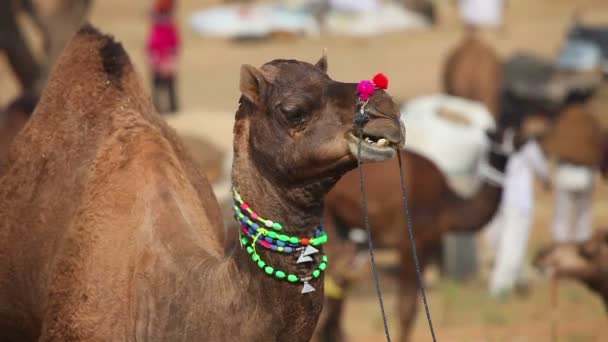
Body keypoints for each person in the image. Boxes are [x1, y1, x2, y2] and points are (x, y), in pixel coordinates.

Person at [485, 130, 551, 298]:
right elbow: (543, 172)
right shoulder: (527, 146)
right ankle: (499, 289)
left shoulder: (493, 141)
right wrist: (547, 183)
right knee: (511, 246)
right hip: (517, 202)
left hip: (495, 200)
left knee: (504, 244)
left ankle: (520, 281)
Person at [543, 105, 603, 243]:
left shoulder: (563, 119)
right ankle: (581, 249)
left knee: (562, 216)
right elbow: (599, 146)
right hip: (586, 174)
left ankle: (561, 247)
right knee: (584, 217)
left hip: (566, 173)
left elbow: (551, 145)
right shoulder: (590, 120)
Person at [147, 0, 180, 114]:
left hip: (168, 63)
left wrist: (171, 63)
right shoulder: (156, 28)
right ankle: (157, 109)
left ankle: (174, 110)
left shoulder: (170, 28)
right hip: (158, 64)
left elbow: (175, 47)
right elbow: (151, 47)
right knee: (157, 88)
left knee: (170, 89)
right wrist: (155, 62)